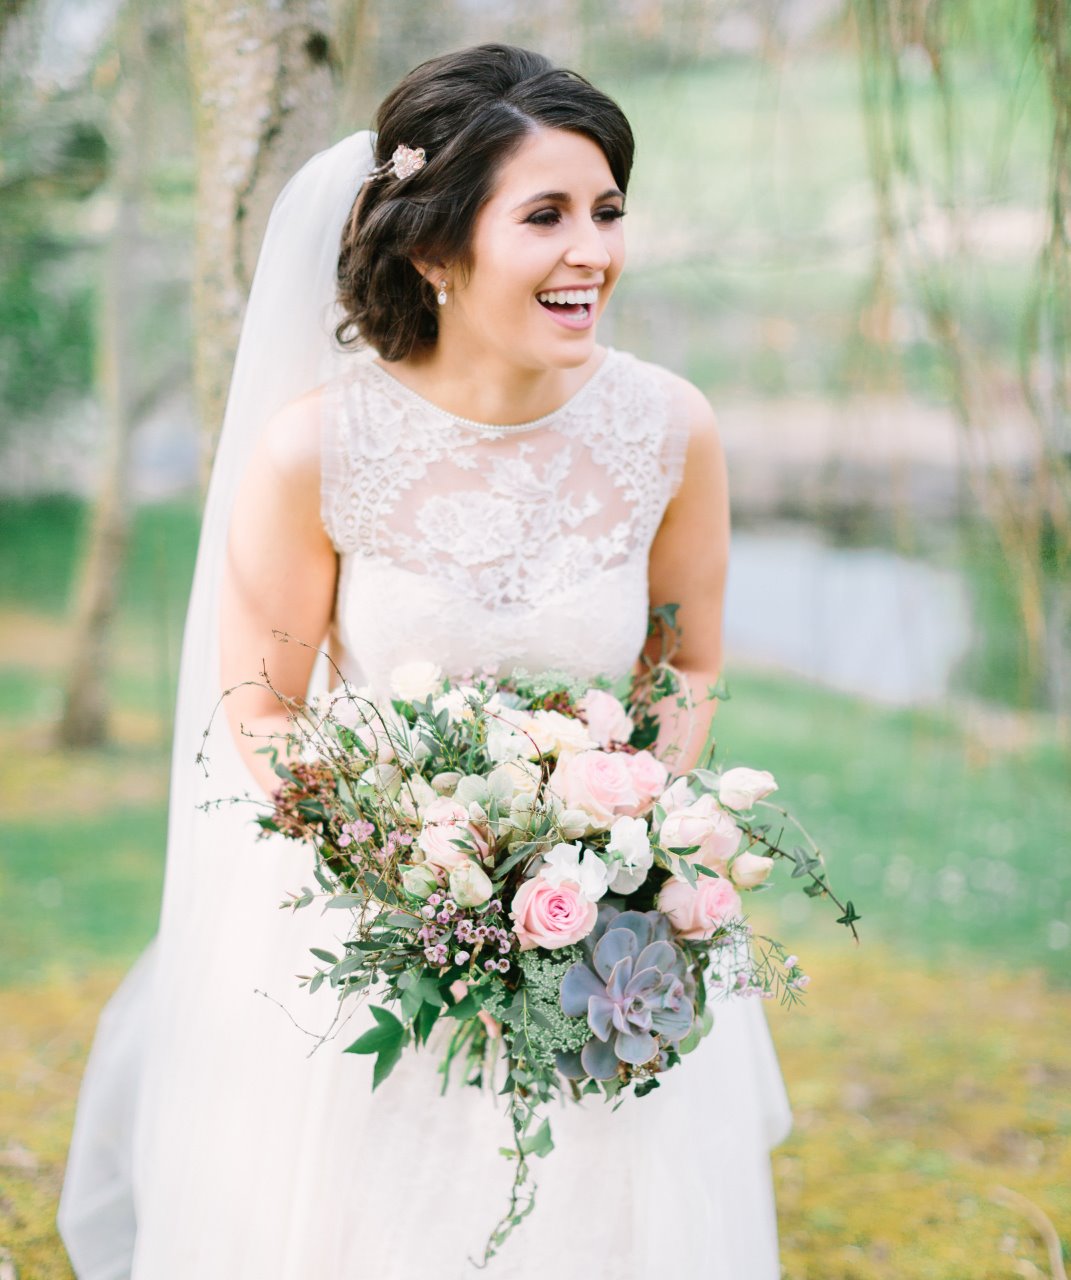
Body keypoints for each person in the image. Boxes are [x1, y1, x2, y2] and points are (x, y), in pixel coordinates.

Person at [59, 43, 791, 1278]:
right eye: (547, 215)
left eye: (609, 210)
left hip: (602, 935)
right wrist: (420, 863)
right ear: (433, 249)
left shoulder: (670, 426)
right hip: (378, 917)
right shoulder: (318, 450)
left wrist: (616, 849)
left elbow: (687, 661)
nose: (594, 252)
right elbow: (265, 705)